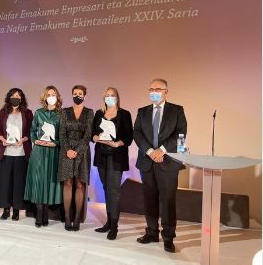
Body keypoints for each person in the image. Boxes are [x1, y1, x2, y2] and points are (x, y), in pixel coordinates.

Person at [133, 78, 187, 253]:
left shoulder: (177, 110)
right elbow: (137, 133)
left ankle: (168, 237)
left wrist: (161, 151)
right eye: (151, 89)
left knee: (168, 201)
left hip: (168, 162)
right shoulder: (142, 111)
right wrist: (150, 151)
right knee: (149, 199)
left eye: (158, 89)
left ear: (166, 92)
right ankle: (151, 232)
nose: (154, 91)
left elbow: (181, 134)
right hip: (147, 161)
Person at [91, 87, 133, 239]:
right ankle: (108, 223)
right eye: (107, 95)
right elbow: (92, 133)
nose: (109, 97)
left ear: (117, 97)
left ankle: (114, 227)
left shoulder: (125, 114)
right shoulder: (99, 113)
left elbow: (129, 137)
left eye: (112, 95)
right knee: (106, 189)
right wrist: (96, 138)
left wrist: (117, 143)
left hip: (117, 157)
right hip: (101, 156)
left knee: (114, 190)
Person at [24, 86, 63, 227]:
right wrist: (35, 140)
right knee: (38, 182)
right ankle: (39, 215)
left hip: (53, 152)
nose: (51, 97)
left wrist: (56, 143)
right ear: (44, 97)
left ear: (57, 97)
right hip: (39, 152)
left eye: (53, 94)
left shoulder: (61, 114)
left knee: (49, 182)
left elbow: (62, 135)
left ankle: (46, 213)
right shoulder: (39, 113)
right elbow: (32, 131)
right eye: (48, 94)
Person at [58, 85, 94, 231]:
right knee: (67, 183)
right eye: (75, 93)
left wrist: (77, 151)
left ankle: (77, 218)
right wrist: (67, 150)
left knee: (80, 184)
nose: (77, 95)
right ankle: (67, 217)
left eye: (80, 93)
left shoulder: (89, 112)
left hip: (83, 152)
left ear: (84, 96)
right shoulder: (65, 111)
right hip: (66, 151)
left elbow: (88, 134)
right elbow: (62, 132)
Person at [0, 88, 33, 221]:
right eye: (13, 95)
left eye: (18, 95)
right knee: (5, 182)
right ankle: (6, 210)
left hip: (21, 153)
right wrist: (2, 139)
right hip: (5, 152)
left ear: (21, 98)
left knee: (18, 183)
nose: (15, 97)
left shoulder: (27, 113)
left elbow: (31, 131)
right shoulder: (3, 112)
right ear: (9, 97)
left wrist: (23, 139)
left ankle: (16, 210)